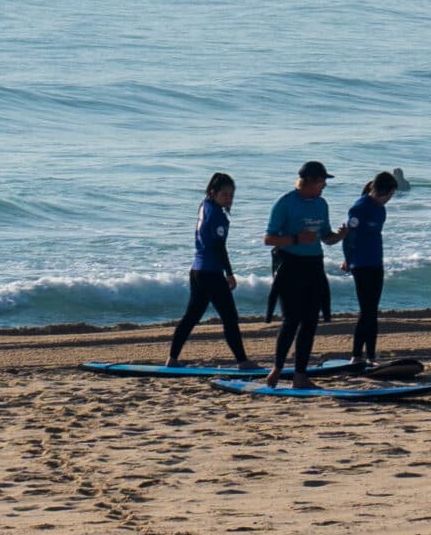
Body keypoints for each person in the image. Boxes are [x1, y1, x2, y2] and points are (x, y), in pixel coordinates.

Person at [260, 160, 347, 387]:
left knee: (310, 321)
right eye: (321, 181)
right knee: (291, 320)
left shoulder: (321, 204)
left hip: (314, 265)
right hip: (289, 265)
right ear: (307, 181)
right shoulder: (285, 203)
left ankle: (300, 375)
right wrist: (297, 239)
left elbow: (325, 237)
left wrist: (340, 235)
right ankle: (277, 369)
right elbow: (268, 239)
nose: (324, 186)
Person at [166, 172, 251, 367]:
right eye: (225, 194)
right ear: (213, 193)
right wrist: (229, 273)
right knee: (230, 317)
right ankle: (243, 362)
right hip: (211, 272)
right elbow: (219, 247)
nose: (229, 198)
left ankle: (172, 359)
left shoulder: (205, 206)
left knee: (191, 317)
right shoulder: (217, 215)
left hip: (197, 271)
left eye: (231, 195)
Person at [341, 171, 403, 366]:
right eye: (390, 195)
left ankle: (371, 356)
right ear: (381, 191)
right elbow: (348, 237)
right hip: (361, 264)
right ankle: (356, 356)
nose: (390, 199)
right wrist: (347, 260)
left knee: (373, 310)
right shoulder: (359, 208)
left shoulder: (381, 209)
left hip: (377, 262)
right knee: (366, 310)